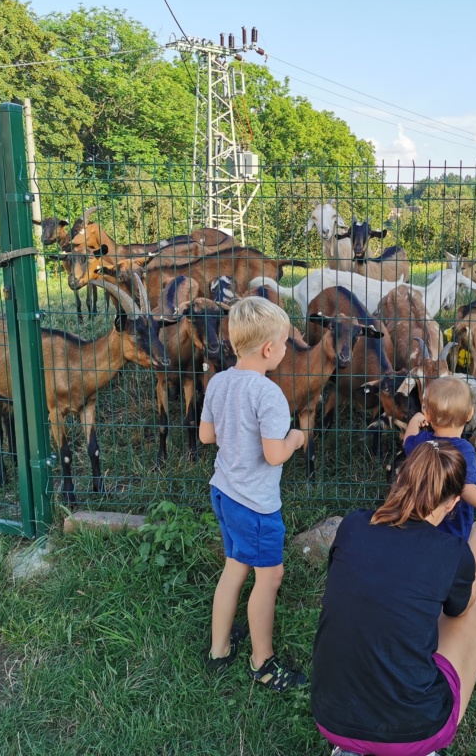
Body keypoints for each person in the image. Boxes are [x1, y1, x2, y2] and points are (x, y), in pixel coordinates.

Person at [312, 441, 476, 756]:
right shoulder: (450, 551)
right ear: (453, 503)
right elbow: (462, 605)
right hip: (413, 733)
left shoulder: (352, 524)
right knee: (472, 613)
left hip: (332, 719)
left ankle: (350, 749)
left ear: (402, 478)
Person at [198, 295, 307, 692]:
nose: (285, 349)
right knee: (269, 577)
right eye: (284, 343)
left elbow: (206, 436)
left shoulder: (219, 382)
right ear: (268, 349)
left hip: (224, 493)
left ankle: (219, 649)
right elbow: (273, 454)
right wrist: (295, 438)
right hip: (256, 506)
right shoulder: (269, 395)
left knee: (234, 567)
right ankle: (262, 663)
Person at [401, 376, 476, 541]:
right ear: (470, 414)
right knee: (454, 553)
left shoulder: (422, 441)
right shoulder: (464, 450)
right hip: (455, 521)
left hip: (422, 515)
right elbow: (466, 489)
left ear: (428, 415)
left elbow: (407, 442)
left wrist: (415, 420)